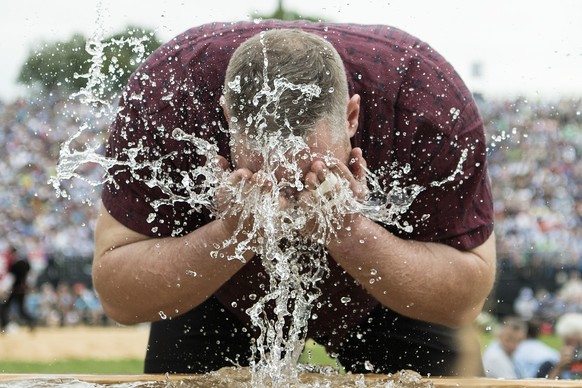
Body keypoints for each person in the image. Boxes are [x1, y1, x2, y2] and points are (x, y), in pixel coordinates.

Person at [92, 21, 496, 375]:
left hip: (387, 289)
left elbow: (465, 299)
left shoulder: (423, 98)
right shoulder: (169, 95)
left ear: (352, 118)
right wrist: (235, 233)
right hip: (219, 289)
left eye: (312, 175)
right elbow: (119, 297)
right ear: (228, 118)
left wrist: (350, 231)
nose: (290, 199)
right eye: (266, 179)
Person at [0, 247, 36, 332]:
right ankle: (31, 323)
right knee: (21, 309)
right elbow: (30, 276)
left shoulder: (13, 265)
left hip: (14, 290)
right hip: (22, 290)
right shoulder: (25, 263)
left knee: (4, 307)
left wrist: (4, 289)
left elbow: (11, 278)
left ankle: (4, 325)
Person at [538, 313, 582, 379]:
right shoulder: (550, 363)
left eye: (578, 344)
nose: (574, 348)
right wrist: (559, 367)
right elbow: (544, 385)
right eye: (569, 343)